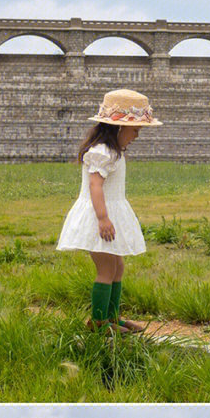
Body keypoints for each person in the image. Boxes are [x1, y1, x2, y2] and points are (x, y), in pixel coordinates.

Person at [56, 88, 161, 332]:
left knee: (118, 267)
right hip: (99, 216)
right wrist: (103, 218)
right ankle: (99, 322)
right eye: (135, 130)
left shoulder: (114, 152)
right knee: (106, 269)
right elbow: (95, 185)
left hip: (111, 213)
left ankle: (112, 317)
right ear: (118, 127)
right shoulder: (101, 152)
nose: (137, 135)